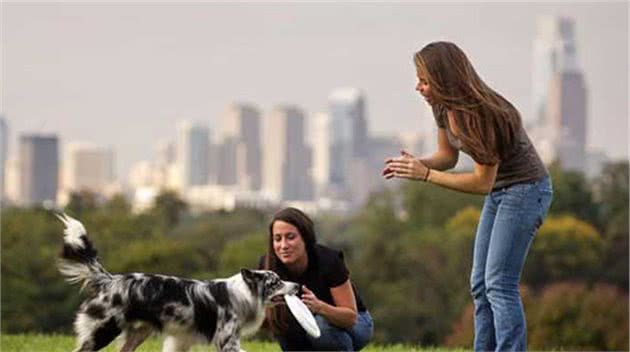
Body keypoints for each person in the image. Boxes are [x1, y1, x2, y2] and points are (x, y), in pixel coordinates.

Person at [383, 41, 553, 351]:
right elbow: (447, 157)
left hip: (527, 191)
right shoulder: (443, 108)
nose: (418, 87)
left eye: (424, 80)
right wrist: (417, 164)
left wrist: (427, 176)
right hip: (502, 190)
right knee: (480, 284)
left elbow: (481, 183)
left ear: (444, 78)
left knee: (500, 284)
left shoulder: (480, 115)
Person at [258, 207, 373, 351]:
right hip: (305, 323)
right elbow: (268, 321)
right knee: (284, 321)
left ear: (305, 238)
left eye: (290, 237)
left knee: (320, 325)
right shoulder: (268, 266)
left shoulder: (328, 261)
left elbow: (350, 318)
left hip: (356, 323)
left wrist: (319, 307)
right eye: (277, 239)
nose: (283, 246)